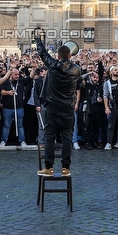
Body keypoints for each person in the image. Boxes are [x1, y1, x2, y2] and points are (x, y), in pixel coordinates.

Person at [35, 37, 82, 177]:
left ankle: (48, 168)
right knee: (67, 137)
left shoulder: (53, 65)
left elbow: (43, 54)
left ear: (58, 56)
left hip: (52, 107)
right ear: (70, 55)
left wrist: (38, 41)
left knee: (49, 136)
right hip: (68, 108)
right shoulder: (77, 70)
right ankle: (66, 168)